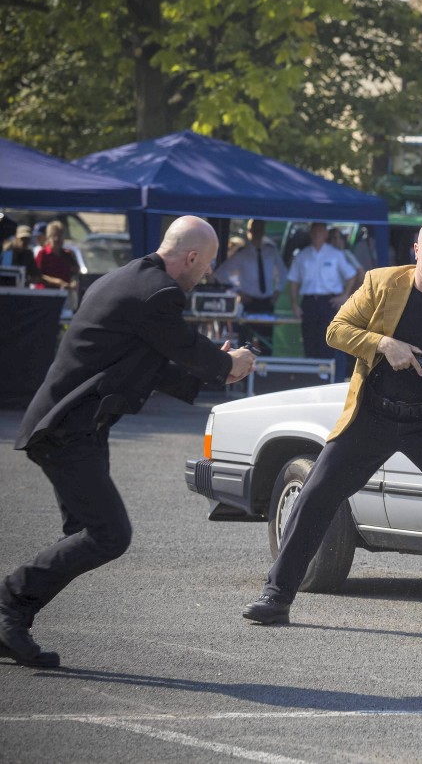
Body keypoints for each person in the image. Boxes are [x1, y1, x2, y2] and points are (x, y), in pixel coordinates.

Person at [0, 217, 255, 667]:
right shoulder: (160, 293)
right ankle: (8, 606)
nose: (208, 273)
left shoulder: (131, 277)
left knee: (85, 534)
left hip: (74, 426)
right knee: (108, 534)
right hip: (68, 430)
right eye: (209, 263)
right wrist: (230, 364)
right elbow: (184, 346)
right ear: (192, 258)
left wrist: (210, 372)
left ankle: (11, 619)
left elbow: (156, 360)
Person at [241, 220, 422, 624]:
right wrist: (384, 344)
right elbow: (336, 330)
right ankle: (276, 596)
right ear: (415, 251)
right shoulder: (381, 283)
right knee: (316, 495)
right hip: (373, 414)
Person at [288, 222, 358, 375]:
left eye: (320, 231)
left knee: (328, 341)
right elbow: (293, 280)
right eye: (314, 231)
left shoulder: (335, 254)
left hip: (329, 302)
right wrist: (294, 304)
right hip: (309, 301)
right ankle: (311, 377)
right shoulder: (302, 255)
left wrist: (345, 295)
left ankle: (327, 376)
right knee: (309, 340)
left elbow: (352, 275)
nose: (317, 234)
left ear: (326, 234)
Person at [215, 219, 288, 354]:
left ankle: (264, 371)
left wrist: (278, 292)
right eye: (255, 230)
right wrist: (238, 291)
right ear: (249, 232)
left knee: (266, 343)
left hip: (267, 301)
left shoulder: (271, 251)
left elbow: (283, 273)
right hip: (249, 302)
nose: (258, 233)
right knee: (246, 344)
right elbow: (221, 274)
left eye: (260, 230)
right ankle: (244, 373)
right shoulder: (242, 253)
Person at [32, 219, 76, 292]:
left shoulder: (68, 255)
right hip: (44, 294)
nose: (57, 239)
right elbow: (36, 276)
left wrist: (74, 281)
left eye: (60, 235)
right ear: (49, 237)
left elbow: (74, 272)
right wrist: (57, 282)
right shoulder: (42, 254)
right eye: (54, 236)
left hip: (64, 295)